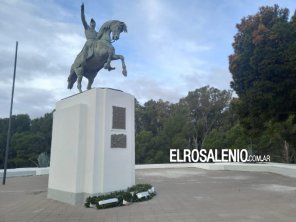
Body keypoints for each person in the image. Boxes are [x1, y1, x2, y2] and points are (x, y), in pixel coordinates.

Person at [80, 3, 97, 67]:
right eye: (91, 23)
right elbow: (83, 19)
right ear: (90, 24)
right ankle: (83, 61)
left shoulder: (96, 33)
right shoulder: (87, 28)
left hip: (95, 44)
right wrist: (82, 10)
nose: (92, 24)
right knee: (86, 48)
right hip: (89, 43)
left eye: (94, 23)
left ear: (95, 24)